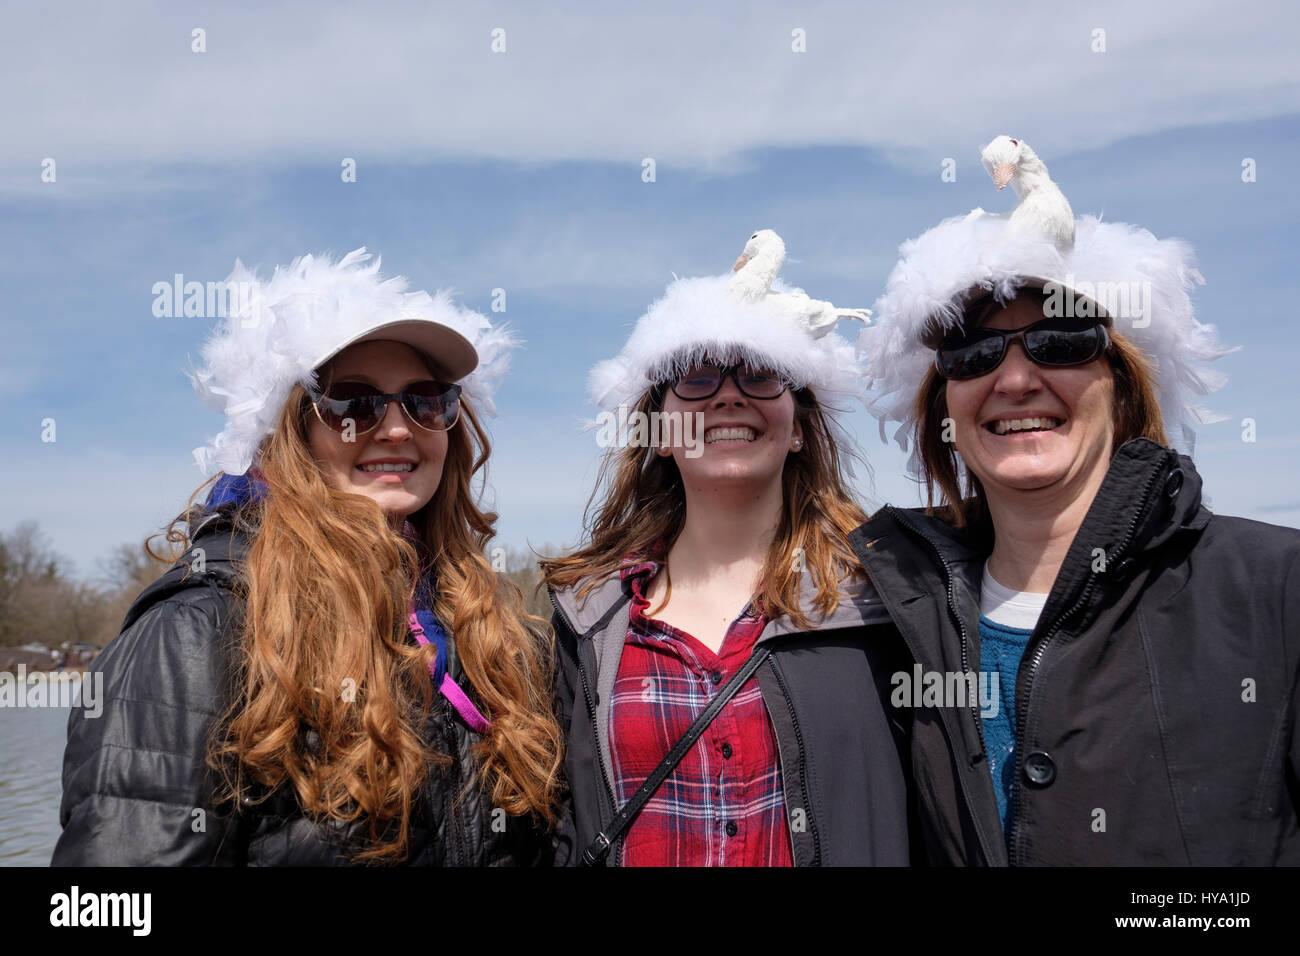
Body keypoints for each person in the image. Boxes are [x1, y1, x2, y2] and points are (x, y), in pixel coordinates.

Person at [853, 140, 1300, 865]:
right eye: (972, 354)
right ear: (945, 403)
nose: (1016, 379)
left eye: (1061, 340)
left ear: (1124, 385)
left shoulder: (1275, 589)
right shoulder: (887, 617)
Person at [53, 248, 562, 865]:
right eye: (353, 403)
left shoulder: (484, 633)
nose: (397, 429)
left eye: (425, 401)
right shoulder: (196, 634)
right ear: (291, 431)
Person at [543, 230, 915, 866]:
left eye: (763, 374)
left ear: (798, 428)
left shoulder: (889, 596)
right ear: (659, 433)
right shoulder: (587, 622)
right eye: (696, 378)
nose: (728, 394)